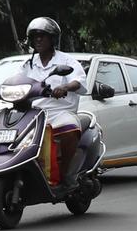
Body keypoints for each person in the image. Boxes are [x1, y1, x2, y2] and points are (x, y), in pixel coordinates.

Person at [20, 17, 88, 188]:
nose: (38, 39)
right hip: (35, 114)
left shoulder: (67, 61)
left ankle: (65, 174)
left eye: (43, 35)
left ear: (53, 39)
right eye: (35, 36)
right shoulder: (28, 64)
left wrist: (65, 86)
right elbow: (16, 82)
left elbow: (79, 81)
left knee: (70, 128)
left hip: (60, 113)